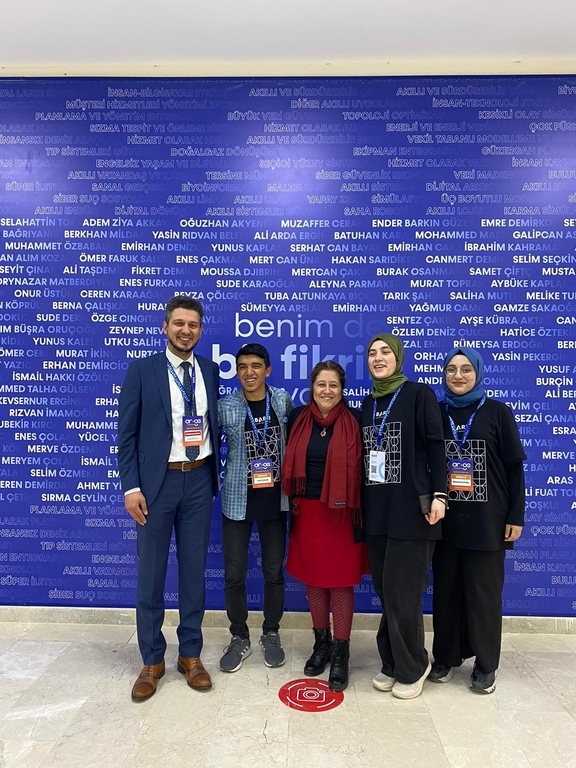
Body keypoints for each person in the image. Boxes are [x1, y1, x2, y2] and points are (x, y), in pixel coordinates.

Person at [118, 295, 220, 702]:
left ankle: (190, 654)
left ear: (200, 330)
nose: (185, 331)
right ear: (165, 327)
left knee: (194, 572)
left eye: (193, 324)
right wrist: (131, 488)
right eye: (179, 323)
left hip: (199, 481)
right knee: (151, 576)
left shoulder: (209, 370)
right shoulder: (142, 370)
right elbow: (126, 435)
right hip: (155, 487)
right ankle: (152, 660)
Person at [429, 348, 525, 694]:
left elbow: (514, 468)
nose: (458, 375)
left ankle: (486, 665)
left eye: (466, 369)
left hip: (488, 523)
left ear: (478, 373)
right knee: (446, 594)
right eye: (451, 369)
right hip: (445, 523)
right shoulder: (435, 412)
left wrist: (516, 515)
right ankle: (444, 658)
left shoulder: (498, 412)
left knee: (484, 597)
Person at [362, 334, 446, 699]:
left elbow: (436, 445)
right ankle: (393, 662)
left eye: (385, 352)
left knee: (404, 593)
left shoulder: (418, 394)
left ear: (398, 357)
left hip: (412, 511)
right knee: (385, 591)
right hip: (377, 512)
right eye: (372, 353)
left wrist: (440, 493)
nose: (378, 358)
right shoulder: (369, 403)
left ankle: (414, 666)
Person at [282, 361, 366, 692]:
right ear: (312, 387)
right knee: (314, 580)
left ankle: (342, 653)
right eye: (321, 384)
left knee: (340, 582)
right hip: (306, 511)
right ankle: (322, 645)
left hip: (342, 515)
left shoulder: (356, 420)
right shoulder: (297, 418)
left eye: (333, 385)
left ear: (342, 390)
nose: (327, 391)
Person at [217, 343, 293, 672]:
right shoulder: (226, 406)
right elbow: (205, 445)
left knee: (273, 573)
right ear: (237, 371)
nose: (249, 372)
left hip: (275, 503)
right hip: (237, 502)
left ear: (268, 370)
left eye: (256, 366)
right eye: (243, 366)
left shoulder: (282, 401)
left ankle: (271, 632)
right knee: (234, 574)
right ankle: (239, 635)